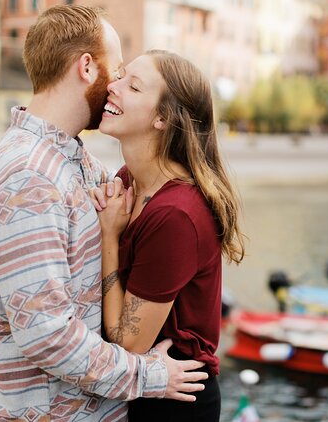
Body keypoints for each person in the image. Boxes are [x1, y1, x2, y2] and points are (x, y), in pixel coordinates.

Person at [0, 6, 208, 421]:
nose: (116, 84)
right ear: (86, 67)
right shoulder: (26, 175)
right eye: (116, 70)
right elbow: (47, 336)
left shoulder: (75, 161)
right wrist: (150, 377)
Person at [92, 49, 246, 421]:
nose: (112, 86)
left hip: (177, 401)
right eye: (121, 76)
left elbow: (128, 341)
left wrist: (109, 238)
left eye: (133, 86)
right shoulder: (130, 179)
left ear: (162, 118)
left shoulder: (175, 214)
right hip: (147, 386)